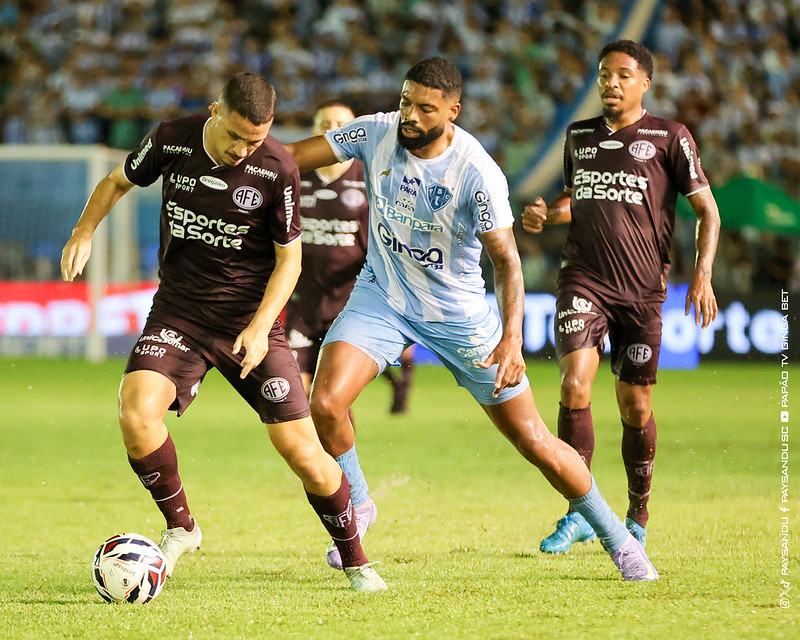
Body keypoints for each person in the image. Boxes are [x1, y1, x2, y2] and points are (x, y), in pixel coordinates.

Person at [286, 56, 659, 581]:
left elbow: (507, 263)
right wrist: (229, 148)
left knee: (534, 441)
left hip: (459, 317)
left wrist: (511, 340)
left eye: (425, 108)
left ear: (452, 112)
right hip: (382, 299)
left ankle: (619, 541)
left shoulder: (477, 172)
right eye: (405, 100)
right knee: (325, 402)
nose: (409, 115)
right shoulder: (375, 132)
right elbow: (291, 156)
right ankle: (361, 505)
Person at [60, 72, 386, 592]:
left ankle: (357, 562)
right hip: (180, 313)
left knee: (303, 451)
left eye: (255, 139)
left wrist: (260, 329)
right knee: (136, 410)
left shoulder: (278, 167)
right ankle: (182, 528)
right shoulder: (172, 137)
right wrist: (83, 231)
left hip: (249, 323)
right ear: (215, 112)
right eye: (235, 136)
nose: (243, 150)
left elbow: (289, 261)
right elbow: (116, 181)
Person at [522, 40, 720, 554]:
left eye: (623, 75)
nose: (611, 82)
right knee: (574, 385)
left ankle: (637, 514)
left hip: (643, 290)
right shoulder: (579, 135)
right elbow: (579, 198)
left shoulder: (670, 136)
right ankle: (580, 511)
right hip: (583, 279)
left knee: (634, 406)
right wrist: (549, 214)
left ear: (644, 83)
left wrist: (702, 275)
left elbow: (708, 213)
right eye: (604, 74)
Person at [285, 99, 415, 414]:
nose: (333, 131)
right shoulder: (294, 176)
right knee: (300, 396)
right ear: (313, 132)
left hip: (352, 298)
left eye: (340, 125)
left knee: (330, 396)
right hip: (303, 298)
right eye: (324, 126)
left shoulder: (371, 175)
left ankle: (403, 383)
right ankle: (329, 462)